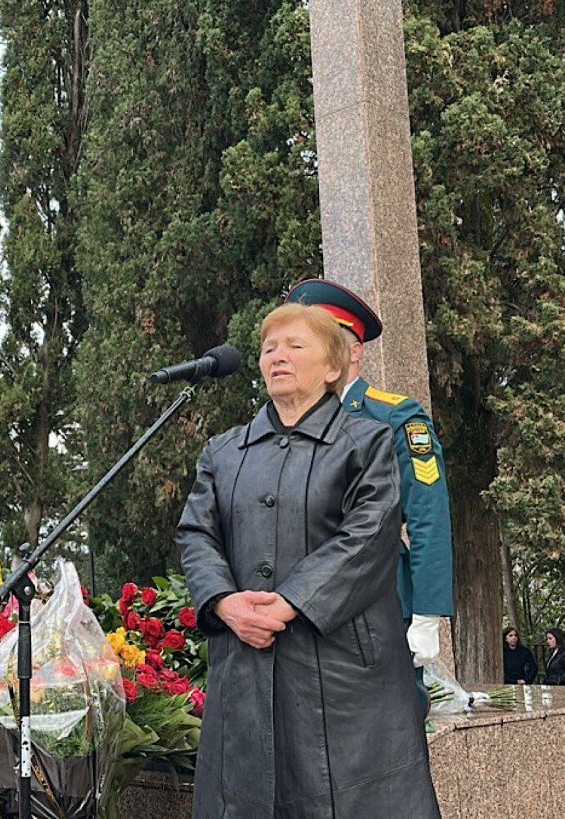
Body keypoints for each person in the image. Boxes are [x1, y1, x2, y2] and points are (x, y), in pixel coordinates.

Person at [176, 302, 441, 818]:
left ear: (334, 366)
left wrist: (290, 602)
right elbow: (196, 533)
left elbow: (370, 533)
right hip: (244, 663)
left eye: (295, 345)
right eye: (269, 348)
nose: (278, 356)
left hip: (345, 677)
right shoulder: (223, 452)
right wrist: (225, 602)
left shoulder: (367, 441)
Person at [286, 279, 455, 708]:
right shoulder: (286, 424)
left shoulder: (393, 416)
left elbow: (428, 515)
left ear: (354, 351)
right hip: (299, 607)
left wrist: (427, 614)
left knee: (388, 731)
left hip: (378, 604)